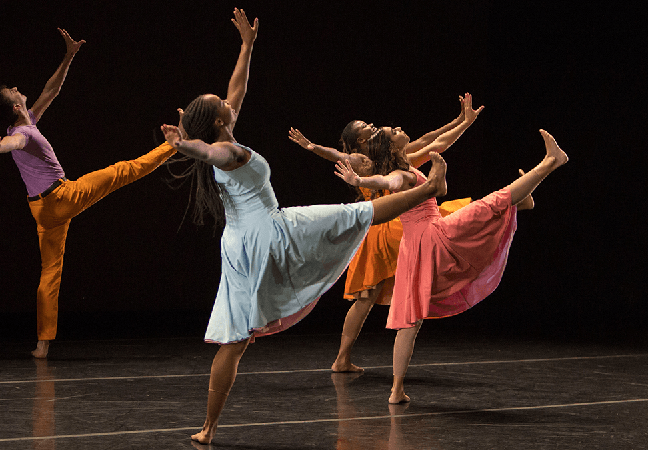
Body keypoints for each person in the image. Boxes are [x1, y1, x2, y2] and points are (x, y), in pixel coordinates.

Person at [159, 9, 449, 445]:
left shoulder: (224, 131)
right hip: (271, 232)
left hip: (238, 245)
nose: (228, 100)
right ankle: (433, 189)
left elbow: (235, 91)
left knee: (235, 339)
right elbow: (210, 151)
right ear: (219, 122)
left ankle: (209, 428)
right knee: (356, 215)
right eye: (222, 106)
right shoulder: (226, 151)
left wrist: (247, 46)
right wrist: (187, 147)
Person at [334, 94, 567, 404]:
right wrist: (355, 174)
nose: (398, 128)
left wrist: (461, 126)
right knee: (493, 202)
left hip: (411, 245)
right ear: (366, 142)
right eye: (391, 130)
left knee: (408, 319)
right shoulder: (387, 167)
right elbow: (389, 181)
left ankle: (396, 389)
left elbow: (434, 150)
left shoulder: (402, 160)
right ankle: (550, 164)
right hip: (419, 234)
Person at [0, 28, 176, 359]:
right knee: (122, 171)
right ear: (16, 105)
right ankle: (173, 145)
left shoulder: (25, 122)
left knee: (50, 272)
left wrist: (68, 56)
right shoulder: (20, 133)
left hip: (41, 211)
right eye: (15, 91)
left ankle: (42, 344)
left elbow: (51, 91)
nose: (20, 90)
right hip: (60, 198)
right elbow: (13, 144)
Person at [288, 95, 475, 373]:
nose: (373, 125)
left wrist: (461, 120)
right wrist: (313, 147)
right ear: (359, 140)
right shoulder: (364, 160)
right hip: (383, 230)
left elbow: (431, 141)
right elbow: (338, 155)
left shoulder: (395, 158)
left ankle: (342, 358)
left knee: (366, 298)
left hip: (382, 228)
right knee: (448, 218)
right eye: (365, 126)